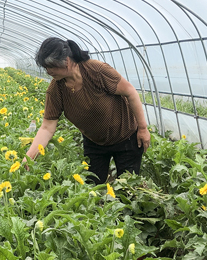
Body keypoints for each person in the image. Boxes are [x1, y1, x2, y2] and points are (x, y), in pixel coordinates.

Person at [25, 37, 150, 184]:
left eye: (51, 66)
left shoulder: (96, 71)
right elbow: (47, 128)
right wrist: (29, 158)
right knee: (91, 189)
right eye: (45, 67)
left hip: (126, 137)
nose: (49, 71)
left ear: (67, 61)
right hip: (94, 142)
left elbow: (130, 92)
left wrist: (142, 128)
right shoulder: (56, 90)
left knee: (129, 188)